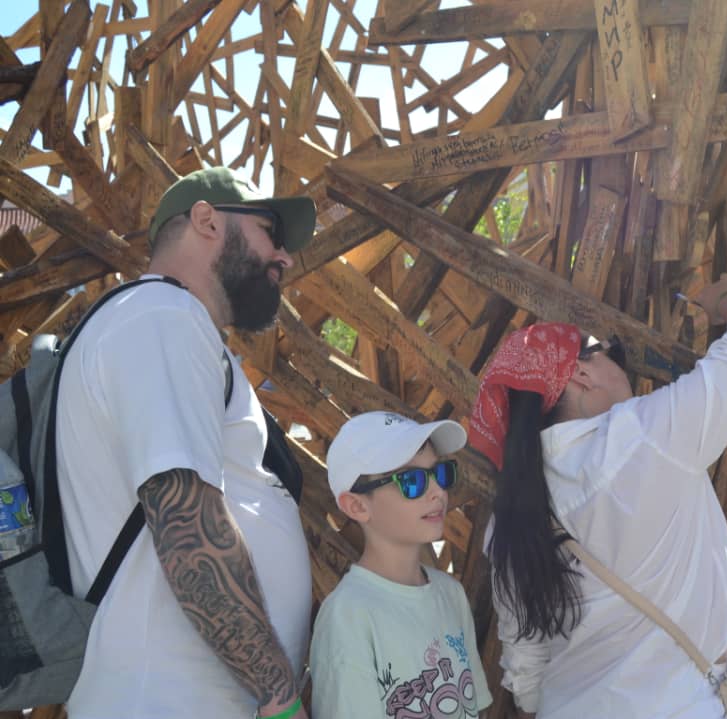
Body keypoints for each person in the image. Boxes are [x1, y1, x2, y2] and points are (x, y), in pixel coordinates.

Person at [468, 276, 727, 719]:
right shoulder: (646, 436)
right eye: (612, 351)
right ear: (580, 373)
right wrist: (723, 298)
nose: (621, 365)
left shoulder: (507, 522)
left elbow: (526, 667)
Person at [55, 167, 316, 718]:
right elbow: (187, 526)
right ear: (207, 220)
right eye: (270, 229)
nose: (284, 257)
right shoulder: (162, 317)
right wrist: (281, 700)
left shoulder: (162, 322)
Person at [311, 411, 493, 719]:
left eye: (441, 473)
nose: (437, 491)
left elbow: (477, 707)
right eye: (412, 481)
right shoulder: (348, 617)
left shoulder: (451, 593)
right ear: (357, 505)